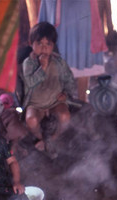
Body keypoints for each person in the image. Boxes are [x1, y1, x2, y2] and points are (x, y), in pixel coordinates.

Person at [22, 22, 76, 156]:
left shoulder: (59, 62)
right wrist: (43, 68)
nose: (44, 48)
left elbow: (69, 80)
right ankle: (41, 138)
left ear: (53, 46)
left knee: (65, 116)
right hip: (35, 103)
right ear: (31, 43)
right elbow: (29, 82)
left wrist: (66, 94)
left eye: (48, 45)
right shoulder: (28, 63)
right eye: (39, 44)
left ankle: (53, 139)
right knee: (31, 120)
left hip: (55, 101)